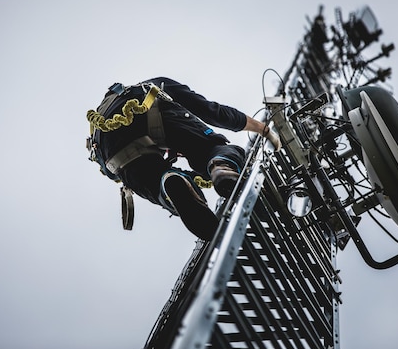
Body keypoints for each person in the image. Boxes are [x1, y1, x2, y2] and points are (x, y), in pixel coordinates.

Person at [86, 77, 281, 241]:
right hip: (150, 107)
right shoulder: (151, 86)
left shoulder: (99, 126)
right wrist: (262, 129)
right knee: (209, 149)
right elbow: (211, 111)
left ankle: (169, 182)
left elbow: (115, 174)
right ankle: (221, 166)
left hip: (111, 151)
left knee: (156, 180)